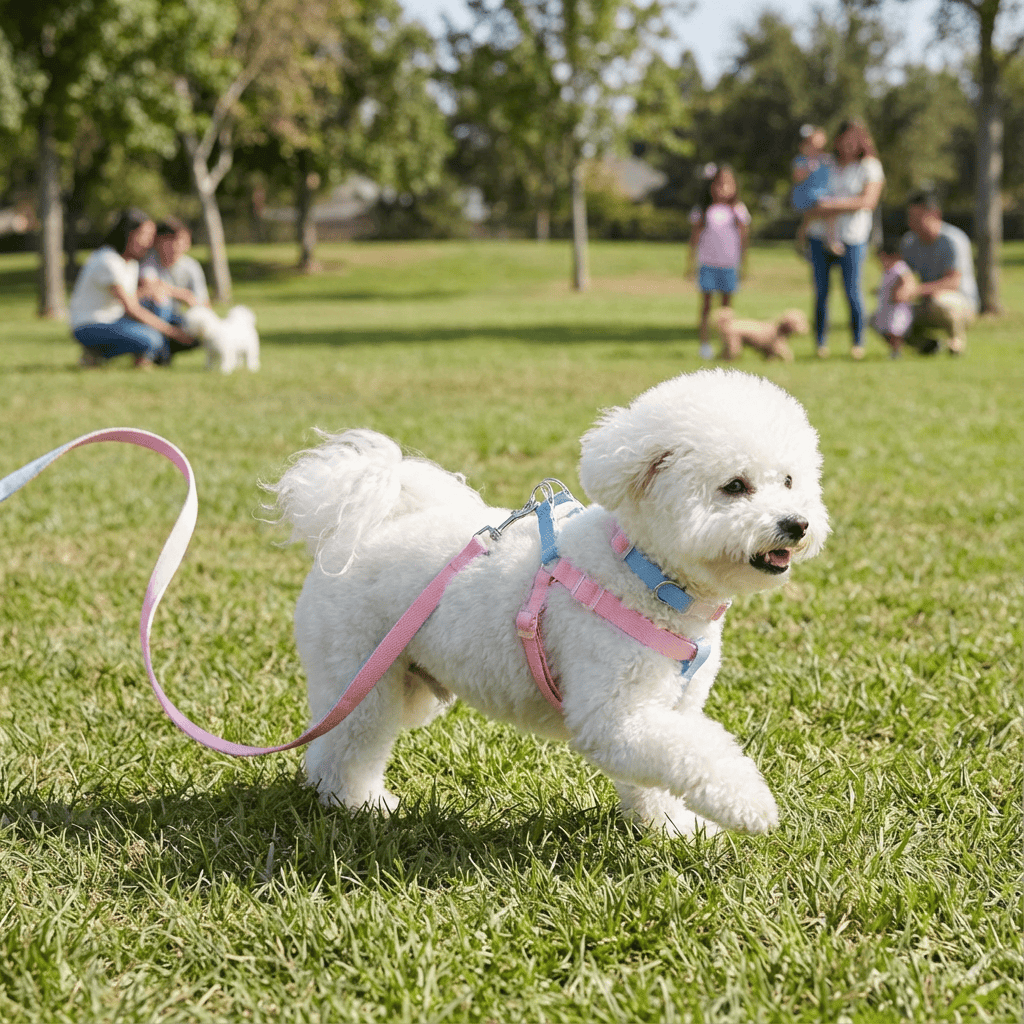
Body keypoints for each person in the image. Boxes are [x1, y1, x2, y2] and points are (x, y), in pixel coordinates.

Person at [69, 208, 194, 368]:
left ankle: (150, 356)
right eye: (145, 236)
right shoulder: (108, 260)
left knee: (162, 305)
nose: (149, 242)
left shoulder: (131, 263)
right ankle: (98, 352)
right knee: (152, 338)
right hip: (90, 324)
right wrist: (172, 332)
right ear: (129, 234)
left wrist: (153, 292)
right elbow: (131, 308)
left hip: (114, 319)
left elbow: (131, 299)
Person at [804, 118, 885, 360]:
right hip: (820, 237)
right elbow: (810, 199)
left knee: (852, 291)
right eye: (844, 139)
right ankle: (820, 343)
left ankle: (858, 342)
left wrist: (832, 205)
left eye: (854, 140)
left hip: (853, 238)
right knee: (821, 293)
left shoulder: (869, 167)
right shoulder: (825, 165)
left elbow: (868, 202)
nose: (849, 145)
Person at [900, 191, 979, 355]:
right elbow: (903, 274)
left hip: (960, 303)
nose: (912, 223)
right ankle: (928, 346)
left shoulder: (953, 240)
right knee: (880, 317)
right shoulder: (909, 242)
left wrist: (916, 290)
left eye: (917, 217)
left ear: (935, 214)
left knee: (940, 300)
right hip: (927, 303)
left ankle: (956, 342)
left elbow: (953, 282)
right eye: (910, 217)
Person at [687, 164, 751, 360]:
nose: (722, 188)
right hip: (708, 264)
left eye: (727, 184)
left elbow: (744, 239)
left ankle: (728, 344)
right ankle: (704, 343)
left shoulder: (738, 210)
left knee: (726, 309)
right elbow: (694, 239)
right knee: (706, 306)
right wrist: (690, 264)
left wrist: (744, 264)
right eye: (719, 184)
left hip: (729, 265)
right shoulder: (704, 210)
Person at [139, 218, 207, 362]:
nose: (178, 245)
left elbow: (203, 304)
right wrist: (183, 295)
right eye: (172, 240)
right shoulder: (148, 261)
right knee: (160, 301)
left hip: (176, 318)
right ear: (158, 241)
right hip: (149, 316)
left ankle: (162, 354)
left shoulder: (191, 266)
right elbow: (150, 285)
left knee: (199, 330)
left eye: (183, 240)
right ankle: (148, 356)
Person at [791, 125, 842, 257]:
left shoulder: (826, 159)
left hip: (820, 195)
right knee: (829, 212)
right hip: (808, 197)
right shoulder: (801, 160)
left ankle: (802, 241)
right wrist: (808, 166)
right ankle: (830, 240)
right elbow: (797, 177)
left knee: (812, 217)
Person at [869, 236, 915, 358]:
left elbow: (907, 280)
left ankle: (897, 351)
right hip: (887, 308)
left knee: (895, 331)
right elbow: (887, 286)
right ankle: (894, 350)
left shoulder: (899, 268)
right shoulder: (888, 271)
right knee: (887, 330)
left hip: (897, 309)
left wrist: (901, 291)